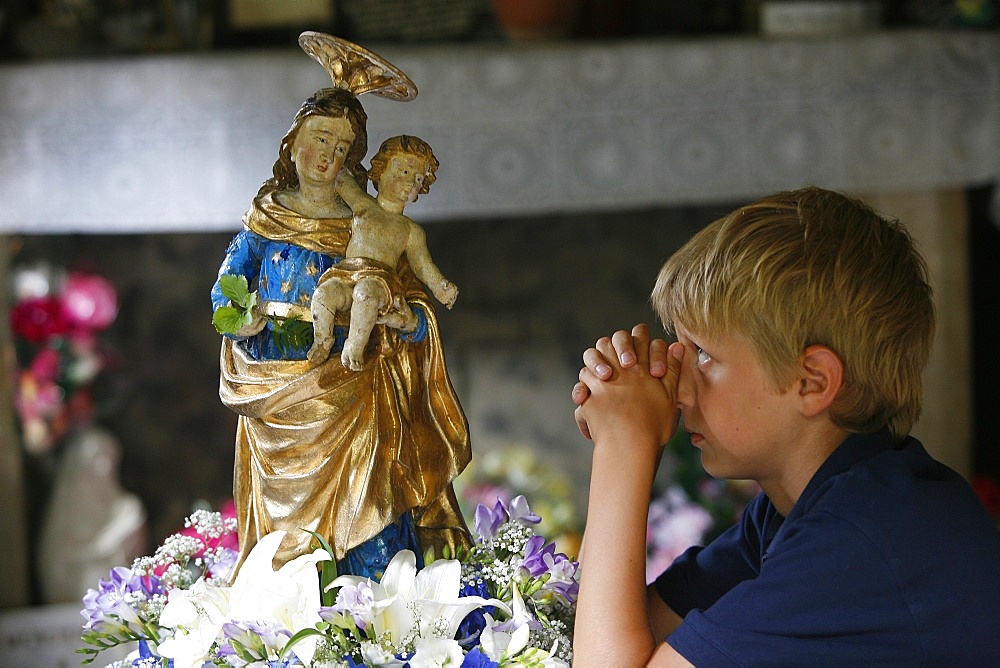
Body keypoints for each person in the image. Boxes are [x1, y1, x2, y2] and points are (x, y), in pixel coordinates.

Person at [570, 187, 1000, 665]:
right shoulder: (797, 507)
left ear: (811, 382)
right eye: (679, 347)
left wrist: (623, 446)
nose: (675, 386)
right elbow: (590, 631)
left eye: (705, 354)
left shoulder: (860, 541)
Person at [211, 73, 471, 578]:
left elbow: (416, 308)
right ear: (294, 143)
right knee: (284, 564)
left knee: (372, 536)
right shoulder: (264, 219)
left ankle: (378, 629)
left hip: (357, 395)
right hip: (275, 396)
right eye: (319, 139)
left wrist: (405, 318)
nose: (328, 155)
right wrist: (241, 321)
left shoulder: (367, 225)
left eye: (342, 145)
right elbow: (224, 296)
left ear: (354, 158)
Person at [308, 134, 458, 370]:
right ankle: (322, 340)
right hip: (347, 273)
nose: (409, 182)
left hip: (380, 282)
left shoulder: (410, 230)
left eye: (418, 178)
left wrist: (441, 287)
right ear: (380, 171)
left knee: (366, 295)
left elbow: (422, 265)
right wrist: (337, 149)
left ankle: (354, 347)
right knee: (324, 295)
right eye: (403, 171)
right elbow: (341, 178)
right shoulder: (363, 204)